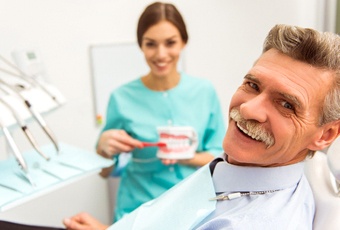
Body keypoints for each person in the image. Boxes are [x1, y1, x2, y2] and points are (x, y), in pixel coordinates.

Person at [63, 24, 340, 230]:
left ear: (325, 134)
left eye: (286, 105)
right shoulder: (237, 167)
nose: (247, 109)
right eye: (252, 85)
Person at [94, 1, 225, 223]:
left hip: (193, 209)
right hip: (137, 212)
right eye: (151, 44)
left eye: (170, 43)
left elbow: (222, 158)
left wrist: (187, 157)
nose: (161, 54)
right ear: (141, 46)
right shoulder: (121, 97)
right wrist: (103, 150)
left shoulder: (204, 91)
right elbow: (106, 172)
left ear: (184, 42)